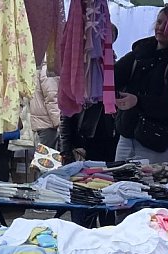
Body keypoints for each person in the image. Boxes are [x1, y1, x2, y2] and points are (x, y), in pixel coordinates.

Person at [114, 5, 168, 164]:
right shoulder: (139, 54)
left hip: (157, 140)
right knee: (119, 184)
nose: (161, 28)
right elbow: (112, 77)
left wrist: (137, 101)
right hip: (127, 134)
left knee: (152, 187)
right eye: (159, 22)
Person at [59, 23, 120, 165]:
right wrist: (66, 150)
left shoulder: (116, 70)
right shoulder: (80, 70)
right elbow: (66, 113)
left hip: (110, 142)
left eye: (108, 39)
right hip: (84, 141)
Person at [29, 62, 61, 149]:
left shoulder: (38, 67)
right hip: (48, 123)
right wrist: (59, 122)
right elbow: (52, 97)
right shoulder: (48, 69)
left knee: (43, 158)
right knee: (48, 158)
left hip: (41, 122)